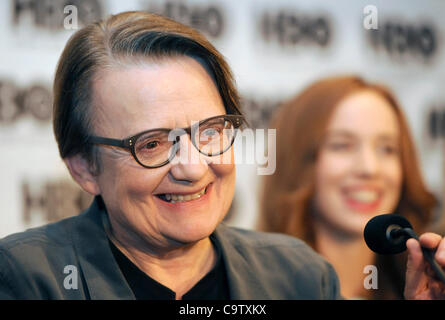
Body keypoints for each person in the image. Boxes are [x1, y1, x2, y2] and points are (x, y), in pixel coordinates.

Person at [0, 12, 443, 300]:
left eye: (210, 133)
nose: (193, 168)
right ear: (83, 166)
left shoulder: (299, 277)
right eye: (152, 143)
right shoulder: (26, 278)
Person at [258, 76, 442, 299]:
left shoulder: (427, 286)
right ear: (297, 162)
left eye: (387, 148)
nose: (369, 168)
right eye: (342, 145)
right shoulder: (248, 288)